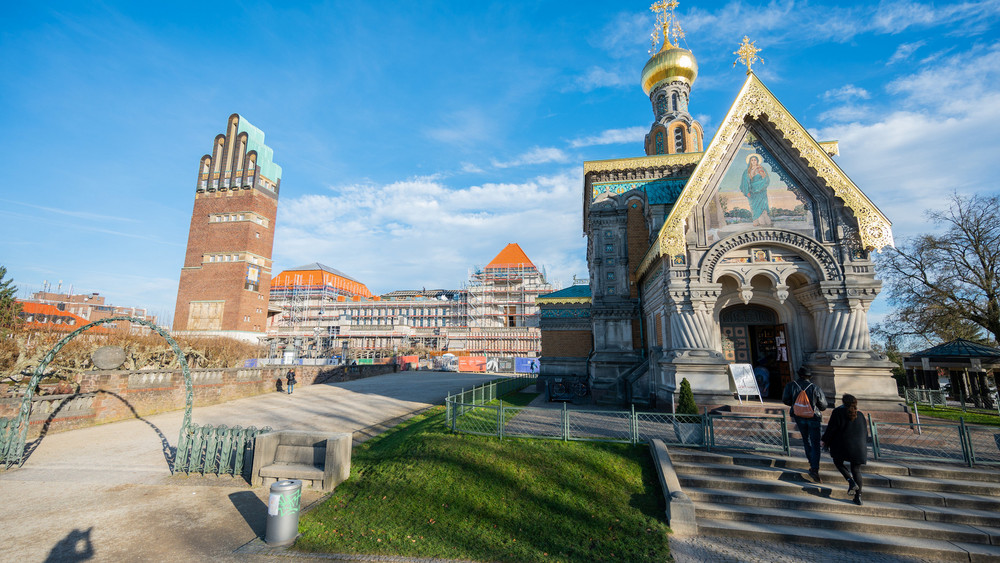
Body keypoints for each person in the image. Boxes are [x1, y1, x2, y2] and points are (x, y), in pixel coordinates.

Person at [782, 366, 827, 482]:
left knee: (806, 439)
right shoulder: (815, 387)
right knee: (815, 442)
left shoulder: (791, 386)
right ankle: (814, 467)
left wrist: (797, 404)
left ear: (799, 375)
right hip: (813, 417)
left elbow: (785, 400)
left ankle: (812, 462)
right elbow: (823, 405)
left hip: (799, 416)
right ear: (809, 376)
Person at [822, 394, 868, 505]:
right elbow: (865, 433)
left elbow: (831, 429)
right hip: (859, 448)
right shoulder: (860, 415)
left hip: (843, 446)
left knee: (837, 462)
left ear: (843, 402)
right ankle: (858, 497)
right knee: (856, 470)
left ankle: (850, 481)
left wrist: (825, 440)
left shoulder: (838, 412)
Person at [739, 154, 772, 226]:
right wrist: (747, 191)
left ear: (757, 161)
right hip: (752, 192)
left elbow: (766, 179)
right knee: (754, 208)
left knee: (762, 207)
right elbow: (744, 183)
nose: (753, 161)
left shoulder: (761, 168)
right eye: (752, 160)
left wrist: (758, 186)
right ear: (750, 161)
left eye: (755, 160)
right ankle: (757, 222)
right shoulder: (746, 171)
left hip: (761, 191)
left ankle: (765, 223)